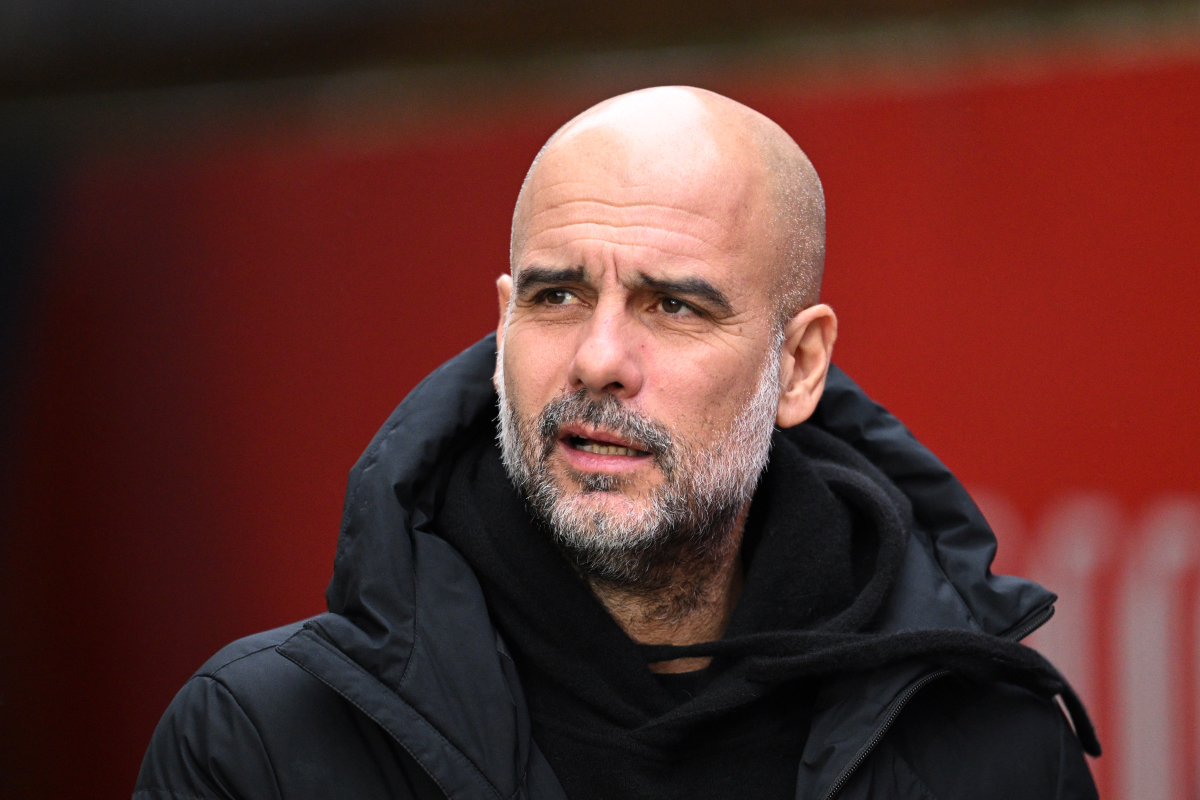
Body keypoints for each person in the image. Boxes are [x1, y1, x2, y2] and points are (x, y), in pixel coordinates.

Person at [135, 87, 1100, 800]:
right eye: (557, 297)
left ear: (799, 366)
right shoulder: (263, 741)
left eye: (672, 304)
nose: (599, 359)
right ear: (504, 325)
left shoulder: (992, 754)